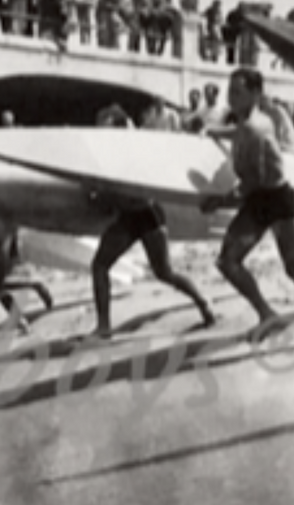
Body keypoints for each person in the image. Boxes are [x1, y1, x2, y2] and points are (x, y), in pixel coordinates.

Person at [202, 67, 294, 344]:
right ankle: (267, 315)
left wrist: (219, 201)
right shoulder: (248, 122)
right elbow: (238, 132)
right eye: (230, 91)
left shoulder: (257, 128)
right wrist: (214, 131)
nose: (231, 97)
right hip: (257, 200)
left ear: (255, 94)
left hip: (276, 200)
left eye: (238, 92)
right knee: (228, 261)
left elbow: (250, 183)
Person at [86, 106, 216, 339]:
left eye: (104, 127)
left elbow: (138, 194)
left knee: (164, 272)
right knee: (100, 266)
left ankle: (203, 301)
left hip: (147, 215)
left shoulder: (135, 151)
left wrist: (103, 193)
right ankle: (103, 326)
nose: (100, 132)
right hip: (128, 218)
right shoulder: (107, 154)